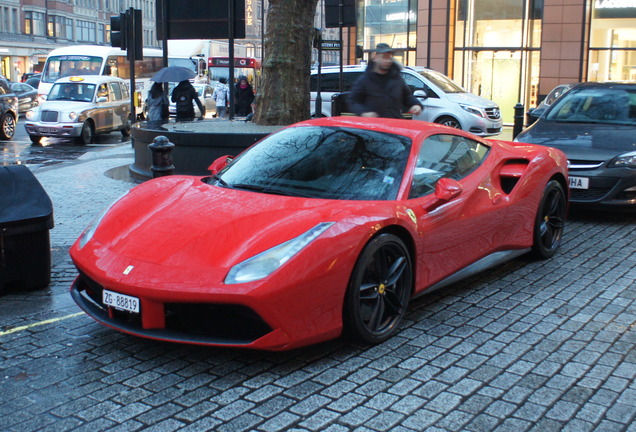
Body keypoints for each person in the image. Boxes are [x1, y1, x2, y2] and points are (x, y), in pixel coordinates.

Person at [349, 43, 423, 119]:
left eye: (389, 57)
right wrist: (364, 112)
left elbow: (407, 96)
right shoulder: (365, 80)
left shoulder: (397, 79)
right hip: (372, 127)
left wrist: (416, 105)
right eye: (384, 57)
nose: (388, 60)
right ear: (375, 57)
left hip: (393, 124)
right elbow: (353, 101)